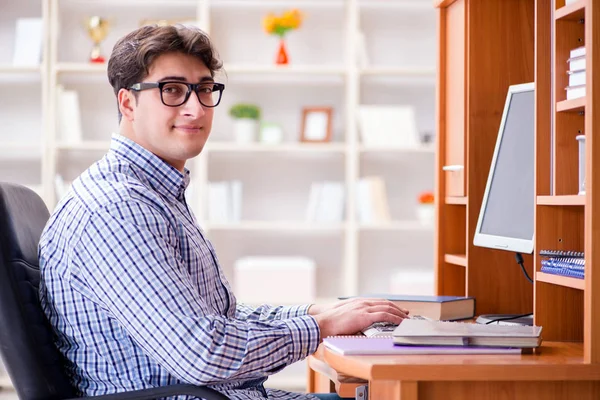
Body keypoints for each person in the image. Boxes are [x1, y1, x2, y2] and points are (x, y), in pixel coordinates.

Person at [38, 25, 408, 400]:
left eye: (203, 88)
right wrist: (319, 326)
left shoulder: (153, 194)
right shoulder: (117, 209)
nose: (195, 108)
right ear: (127, 103)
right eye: (172, 90)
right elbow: (202, 351)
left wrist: (317, 313)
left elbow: (216, 322)